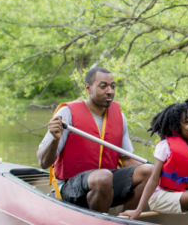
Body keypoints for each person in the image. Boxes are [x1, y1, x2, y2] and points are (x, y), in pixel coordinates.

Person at [37, 67, 153, 213]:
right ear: (88, 88)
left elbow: (128, 161)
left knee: (149, 171)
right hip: (70, 188)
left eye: (112, 86)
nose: (110, 91)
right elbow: (43, 162)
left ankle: (127, 221)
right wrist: (55, 139)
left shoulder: (120, 118)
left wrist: (159, 174)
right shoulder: (67, 114)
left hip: (105, 183)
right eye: (103, 86)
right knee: (103, 177)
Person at [119, 99, 188, 225]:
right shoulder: (165, 145)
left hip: (184, 194)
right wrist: (138, 210)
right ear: (178, 126)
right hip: (161, 196)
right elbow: (153, 179)